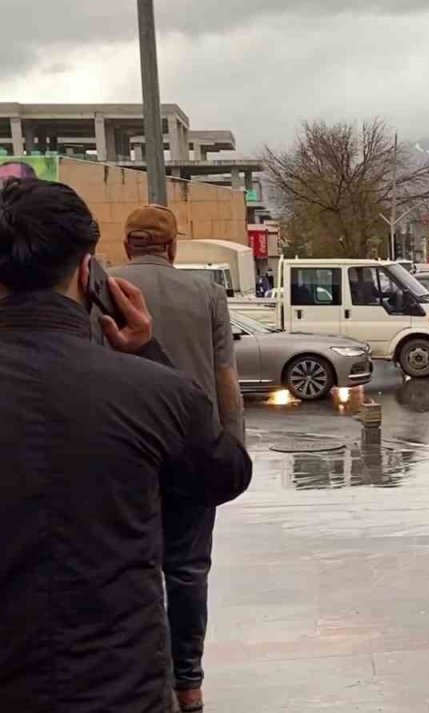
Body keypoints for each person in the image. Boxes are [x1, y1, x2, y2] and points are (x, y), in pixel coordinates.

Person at [0, 178, 252, 712]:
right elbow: (227, 474)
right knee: (186, 570)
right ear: (88, 271)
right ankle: (191, 682)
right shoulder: (152, 387)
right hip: (119, 690)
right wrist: (146, 353)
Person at [110, 205, 246, 712]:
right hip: (192, 448)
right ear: (171, 248)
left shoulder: (101, 287)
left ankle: (147, 675)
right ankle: (189, 682)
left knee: (129, 564)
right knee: (188, 569)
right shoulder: (206, 294)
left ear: (127, 245)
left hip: (121, 451)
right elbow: (225, 379)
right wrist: (231, 447)